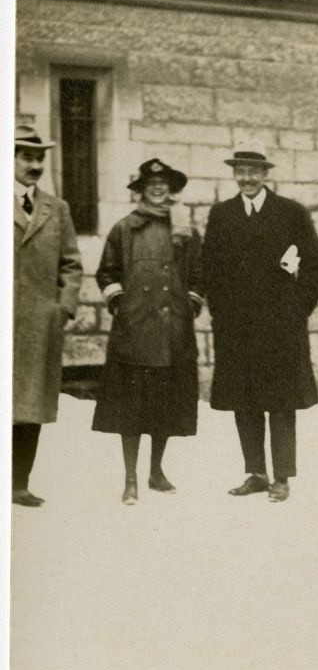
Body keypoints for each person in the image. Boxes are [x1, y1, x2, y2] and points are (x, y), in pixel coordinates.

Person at [201, 145, 318, 503]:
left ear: (265, 174)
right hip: (237, 325)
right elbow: (210, 265)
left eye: (254, 171)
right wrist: (220, 311)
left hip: (281, 324)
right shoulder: (222, 214)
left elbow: (313, 262)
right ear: (234, 174)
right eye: (241, 171)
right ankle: (255, 472)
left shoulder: (291, 212)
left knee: (281, 400)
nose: (247, 178)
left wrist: (299, 306)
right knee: (245, 398)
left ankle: (282, 476)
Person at [92, 159, 203, 504]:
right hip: (135, 331)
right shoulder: (124, 229)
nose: (159, 188)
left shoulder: (186, 231)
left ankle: (156, 471)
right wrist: (120, 304)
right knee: (131, 408)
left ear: (172, 188)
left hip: (173, 332)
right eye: (152, 183)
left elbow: (199, 276)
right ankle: (130, 479)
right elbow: (107, 273)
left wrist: (191, 304)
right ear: (141, 189)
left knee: (165, 406)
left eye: (165, 183)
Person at [12, 124, 83, 508]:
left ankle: (19, 484)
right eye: (26, 157)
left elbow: (71, 263)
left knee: (30, 405)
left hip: (40, 322)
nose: (34, 164)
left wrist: (63, 307)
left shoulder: (58, 209)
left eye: (39, 158)